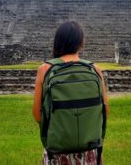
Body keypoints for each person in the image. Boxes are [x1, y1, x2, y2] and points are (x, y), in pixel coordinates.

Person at [33, 20, 109, 165]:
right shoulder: (95, 70)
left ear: (58, 41)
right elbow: (105, 111)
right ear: (81, 42)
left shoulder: (45, 69)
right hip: (90, 150)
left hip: (57, 151)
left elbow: (38, 115)